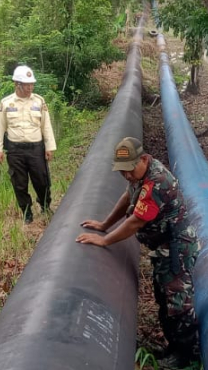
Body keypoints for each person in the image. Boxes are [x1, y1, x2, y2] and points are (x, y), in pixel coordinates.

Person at [76, 137, 200, 368]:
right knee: (163, 297)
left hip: (176, 247)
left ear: (143, 159)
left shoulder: (157, 182)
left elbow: (135, 222)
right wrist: (104, 224)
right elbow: (127, 198)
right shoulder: (138, 176)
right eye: (122, 172)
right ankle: (172, 347)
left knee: (178, 302)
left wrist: (105, 240)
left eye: (129, 170)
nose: (127, 176)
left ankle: (187, 355)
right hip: (163, 247)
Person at [0, 65, 56, 224]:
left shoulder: (39, 101)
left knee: (41, 181)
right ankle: (27, 213)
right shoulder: (6, 103)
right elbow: (0, 128)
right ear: (17, 84)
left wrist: (49, 147)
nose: (30, 87)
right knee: (19, 184)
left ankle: (44, 206)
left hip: (36, 149)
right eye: (27, 85)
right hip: (15, 150)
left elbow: (46, 126)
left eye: (31, 84)